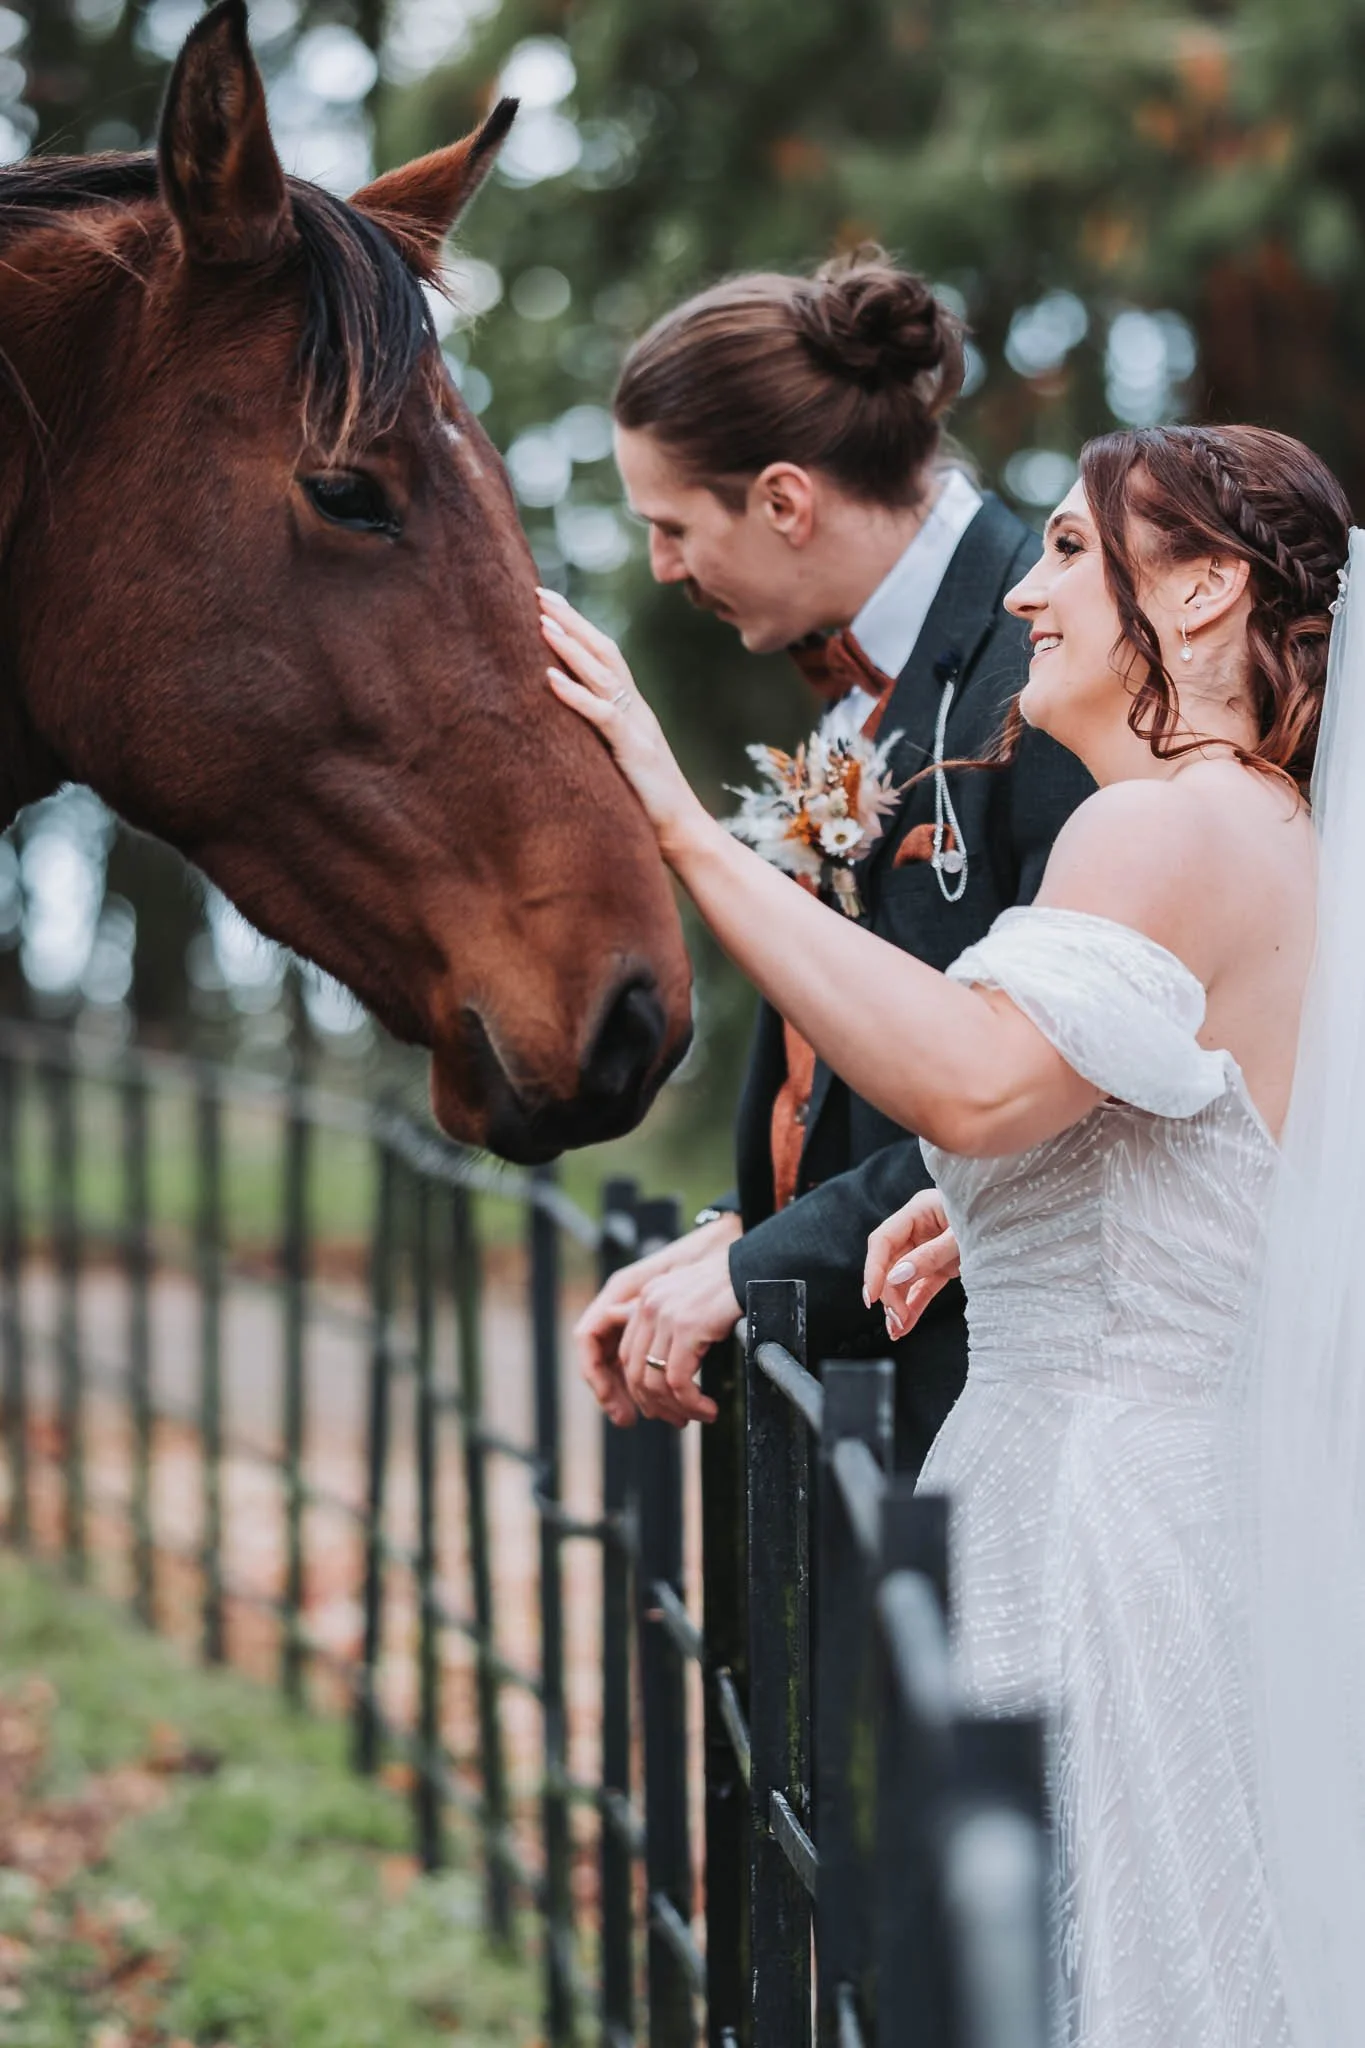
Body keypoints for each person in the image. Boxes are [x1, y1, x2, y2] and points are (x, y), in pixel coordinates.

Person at [540, 421, 1352, 2045]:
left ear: (1197, 593)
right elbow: (1207, 1141)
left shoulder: (1163, 822)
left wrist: (679, 821)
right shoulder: (1263, 827)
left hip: (1101, 1524)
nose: (1032, 594)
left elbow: (978, 1082)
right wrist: (1001, 1218)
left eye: (1069, 549)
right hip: (1174, 1497)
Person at [573, 250, 1092, 1470]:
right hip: (860, 1394)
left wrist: (768, 1265)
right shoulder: (855, 686)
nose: (661, 564)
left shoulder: (1057, 671)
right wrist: (734, 1233)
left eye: (671, 524)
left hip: (982, 1401)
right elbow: (851, 1071)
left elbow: (1058, 1086)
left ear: (787, 502)